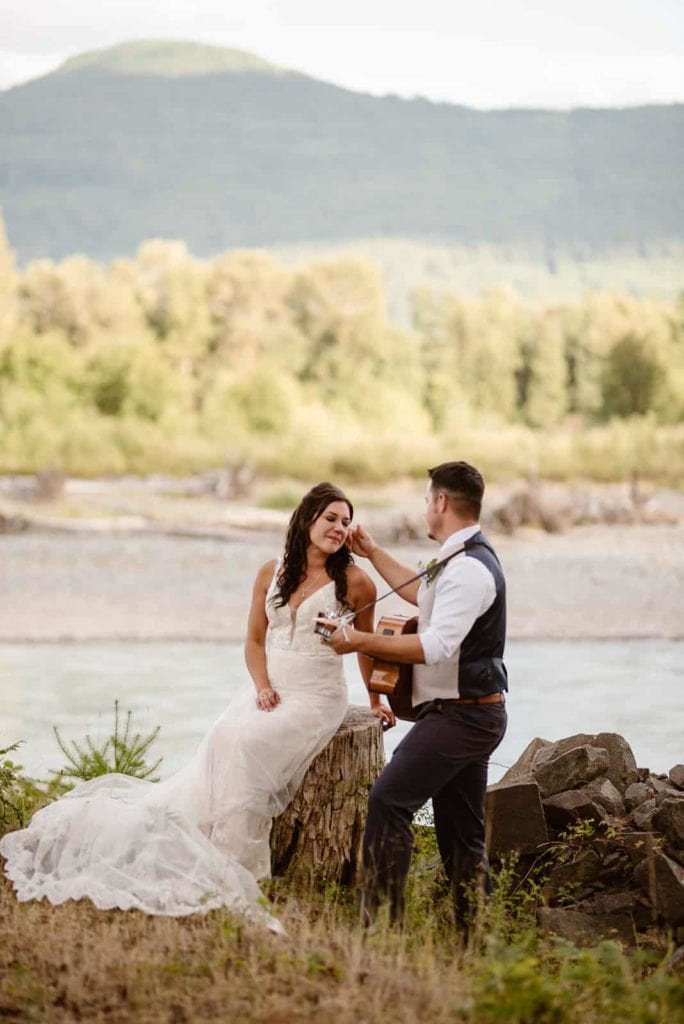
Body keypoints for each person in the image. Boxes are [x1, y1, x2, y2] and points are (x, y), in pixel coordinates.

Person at [0, 483, 393, 930]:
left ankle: (240, 870)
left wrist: (376, 699)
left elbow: (367, 647)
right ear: (306, 520)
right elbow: (254, 640)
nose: (339, 529)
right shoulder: (272, 571)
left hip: (316, 696)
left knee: (247, 746)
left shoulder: (358, 582)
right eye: (331, 519)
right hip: (271, 689)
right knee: (224, 738)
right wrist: (261, 686)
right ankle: (205, 853)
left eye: (346, 521)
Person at [322, 461, 507, 927]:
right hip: (466, 715)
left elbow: (436, 645)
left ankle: (382, 926)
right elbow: (421, 594)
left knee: (388, 800)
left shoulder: (468, 570)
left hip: (462, 717)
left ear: (441, 502)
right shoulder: (457, 559)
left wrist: (357, 640)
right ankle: (476, 937)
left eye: (428, 500)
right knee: (461, 835)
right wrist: (371, 551)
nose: (425, 508)